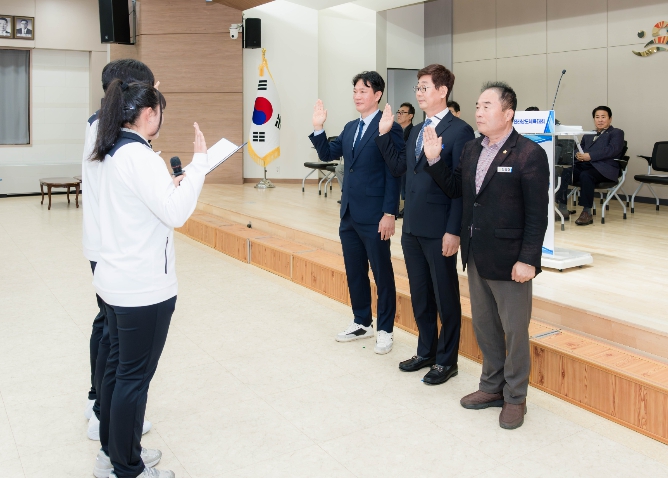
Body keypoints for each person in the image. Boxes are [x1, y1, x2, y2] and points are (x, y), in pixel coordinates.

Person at [91, 80, 209, 478]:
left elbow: (145, 205)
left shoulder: (111, 150)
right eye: (160, 111)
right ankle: (128, 468)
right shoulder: (139, 156)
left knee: (117, 372)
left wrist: (171, 186)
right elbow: (176, 214)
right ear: (148, 114)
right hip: (141, 288)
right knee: (133, 380)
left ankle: (112, 454)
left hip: (116, 280)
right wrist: (199, 165)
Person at [425, 81, 549, 429]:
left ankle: (515, 397)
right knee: (485, 326)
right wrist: (434, 160)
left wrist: (528, 259)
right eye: (477, 106)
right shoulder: (471, 149)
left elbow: (537, 214)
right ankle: (492, 386)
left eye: (487, 106)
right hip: (477, 253)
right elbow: (457, 191)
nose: (479, 112)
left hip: (511, 260)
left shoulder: (529, 153)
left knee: (515, 331)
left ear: (508, 114)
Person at [376, 64, 474, 385]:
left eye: (425, 87)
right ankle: (426, 351)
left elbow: (460, 188)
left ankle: (447, 361)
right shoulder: (417, 130)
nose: (419, 93)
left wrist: (453, 230)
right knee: (420, 294)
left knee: (445, 297)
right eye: (417, 88)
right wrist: (384, 134)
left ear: (442, 91)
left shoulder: (460, 131)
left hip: (440, 228)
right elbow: (399, 168)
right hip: (413, 227)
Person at [83, 60, 156, 453]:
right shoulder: (110, 131)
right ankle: (102, 414)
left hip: (105, 243)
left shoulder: (104, 125)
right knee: (115, 344)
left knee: (109, 333)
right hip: (111, 248)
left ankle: (103, 411)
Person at [309, 71, 403, 354]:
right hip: (349, 212)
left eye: (363, 91)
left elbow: (394, 172)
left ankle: (385, 329)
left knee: (382, 274)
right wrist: (318, 128)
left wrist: (389, 213)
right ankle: (362, 321)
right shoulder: (351, 127)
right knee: (355, 271)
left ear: (377, 95)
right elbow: (328, 154)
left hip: (376, 214)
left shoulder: (389, 127)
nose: (357, 96)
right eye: (355, 91)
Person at [555, 106, 624, 226]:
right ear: (594, 119)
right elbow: (579, 148)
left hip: (604, 168)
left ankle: (586, 212)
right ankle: (562, 208)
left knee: (586, 175)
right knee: (564, 173)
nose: (600, 120)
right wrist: (577, 154)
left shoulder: (616, 133)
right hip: (585, 165)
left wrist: (590, 156)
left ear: (610, 119)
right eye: (597, 117)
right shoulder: (588, 134)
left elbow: (612, 150)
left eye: (603, 117)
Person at [396, 102, 415, 217]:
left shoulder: (413, 131)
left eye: (403, 112)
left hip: (408, 163)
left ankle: (406, 206)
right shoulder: (396, 130)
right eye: (398, 112)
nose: (399, 114)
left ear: (410, 116)